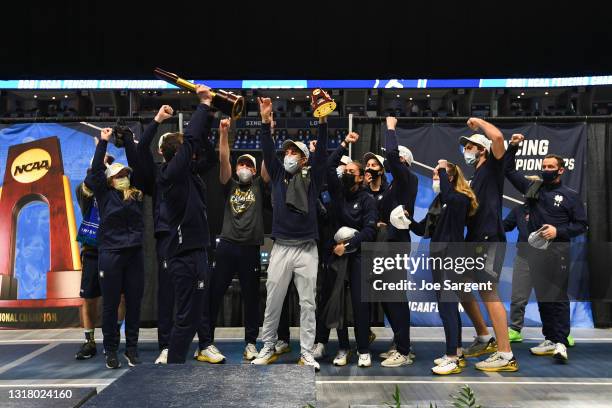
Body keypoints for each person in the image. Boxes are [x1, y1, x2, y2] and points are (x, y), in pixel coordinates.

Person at [251, 96, 328, 371]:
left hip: (307, 248)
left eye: (294, 152)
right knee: (273, 300)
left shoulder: (313, 178)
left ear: (304, 158)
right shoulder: (278, 176)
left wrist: (322, 119)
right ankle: (268, 345)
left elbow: (323, 153)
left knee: (308, 303)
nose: (288, 156)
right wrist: (264, 121)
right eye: (286, 153)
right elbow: (266, 147)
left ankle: (306, 351)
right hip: (281, 247)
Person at [504, 133, 587, 363]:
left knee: (557, 297)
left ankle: (561, 342)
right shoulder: (533, 189)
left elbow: (582, 225)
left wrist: (557, 232)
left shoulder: (570, 196)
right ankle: (550, 338)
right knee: (542, 298)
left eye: (551, 166)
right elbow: (509, 171)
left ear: (560, 170)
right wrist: (513, 146)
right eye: (544, 166)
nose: (546, 169)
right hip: (532, 253)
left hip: (557, 252)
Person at [157, 85, 215, 364]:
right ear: (176, 154)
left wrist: (212, 115)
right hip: (182, 255)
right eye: (185, 151)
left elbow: (201, 145)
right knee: (184, 318)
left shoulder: (190, 173)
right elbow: (191, 138)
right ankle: (173, 367)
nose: (191, 155)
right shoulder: (171, 174)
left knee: (193, 318)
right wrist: (202, 104)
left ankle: (176, 363)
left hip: (199, 250)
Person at [207, 117, 270, 361]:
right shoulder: (229, 184)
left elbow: (267, 164)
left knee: (252, 297)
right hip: (227, 246)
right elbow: (224, 159)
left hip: (250, 249)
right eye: (241, 164)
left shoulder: (258, 187)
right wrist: (223, 133)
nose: (244, 167)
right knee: (214, 293)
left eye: (249, 165)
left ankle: (251, 343)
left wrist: (268, 126)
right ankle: (206, 341)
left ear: (254, 171)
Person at [457, 117, 517, 372]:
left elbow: (498, 138)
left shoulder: (493, 165)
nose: (466, 149)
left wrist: (479, 123)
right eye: (465, 146)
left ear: (482, 149)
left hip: (489, 238)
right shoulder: (476, 175)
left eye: (470, 146)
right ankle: (484, 337)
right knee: (460, 286)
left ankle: (506, 354)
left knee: (488, 291)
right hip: (474, 238)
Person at [84, 128, 146, 369]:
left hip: (134, 254)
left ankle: (132, 349)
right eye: (119, 174)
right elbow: (95, 174)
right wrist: (103, 142)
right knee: (110, 305)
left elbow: (138, 168)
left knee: (134, 303)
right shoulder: (103, 193)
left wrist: (129, 142)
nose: (124, 177)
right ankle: (111, 350)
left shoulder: (136, 194)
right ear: (110, 180)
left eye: (125, 174)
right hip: (110, 254)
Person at [409, 160, 478, 375]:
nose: (434, 179)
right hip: (438, 255)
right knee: (446, 304)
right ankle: (456, 351)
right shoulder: (441, 201)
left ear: (450, 178)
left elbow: (450, 196)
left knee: (447, 305)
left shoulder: (460, 198)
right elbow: (423, 228)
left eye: (438, 175)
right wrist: (407, 220)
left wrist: (440, 166)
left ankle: (452, 358)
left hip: (451, 254)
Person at [323, 131, 377, 367]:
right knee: (339, 304)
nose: (346, 174)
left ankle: (363, 349)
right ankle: (343, 348)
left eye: (351, 172)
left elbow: (370, 230)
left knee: (359, 304)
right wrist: (344, 144)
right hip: (337, 256)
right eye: (345, 172)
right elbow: (328, 166)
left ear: (361, 178)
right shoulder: (337, 193)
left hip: (357, 257)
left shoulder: (367, 200)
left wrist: (348, 245)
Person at [373, 116, 417, 368]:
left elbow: (390, 153)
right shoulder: (395, 185)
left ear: (403, 161)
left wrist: (390, 128)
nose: (389, 160)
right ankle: (399, 342)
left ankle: (404, 349)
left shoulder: (406, 177)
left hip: (397, 243)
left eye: (395, 158)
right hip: (388, 242)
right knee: (387, 296)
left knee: (395, 296)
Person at [74, 151, 126, 360]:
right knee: (89, 298)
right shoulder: (85, 191)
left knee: (120, 297)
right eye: (103, 165)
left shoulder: (118, 192)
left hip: (114, 250)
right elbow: (90, 182)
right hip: (92, 251)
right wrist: (99, 161)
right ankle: (89, 341)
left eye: (108, 165)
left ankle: (112, 336)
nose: (106, 167)